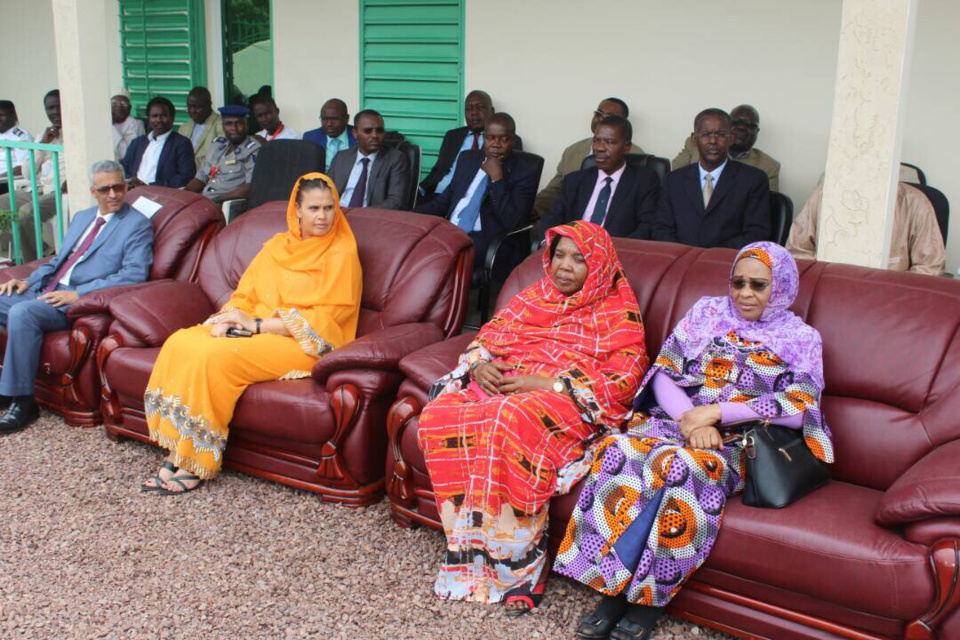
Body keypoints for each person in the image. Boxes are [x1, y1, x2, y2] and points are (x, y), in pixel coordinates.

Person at [555, 242, 834, 640]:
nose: (744, 293)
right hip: (678, 422)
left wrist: (718, 414)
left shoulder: (801, 338)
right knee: (621, 450)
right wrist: (691, 421)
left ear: (783, 287)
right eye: (737, 282)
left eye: (759, 284)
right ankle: (613, 587)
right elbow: (664, 372)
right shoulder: (707, 312)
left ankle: (647, 600)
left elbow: (800, 409)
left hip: (741, 442)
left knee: (685, 467)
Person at [418, 221, 649, 614]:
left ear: (599, 264)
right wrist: (477, 367)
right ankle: (470, 549)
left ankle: (522, 570)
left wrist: (544, 383)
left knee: (510, 418)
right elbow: (486, 339)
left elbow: (623, 378)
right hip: (507, 386)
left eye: (579, 259)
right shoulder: (532, 297)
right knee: (438, 415)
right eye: (559, 255)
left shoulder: (616, 310)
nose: (564, 266)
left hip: (563, 397)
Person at [140, 173, 361, 494]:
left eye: (329, 208)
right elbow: (246, 295)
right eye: (314, 208)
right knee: (182, 341)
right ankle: (178, 447)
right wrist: (229, 319)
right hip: (255, 329)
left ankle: (197, 461)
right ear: (296, 210)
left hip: (303, 342)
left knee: (215, 357)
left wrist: (255, 325)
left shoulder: (341, 254)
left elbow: (326, 320)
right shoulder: (277, 248)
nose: (323, 216)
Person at [0, 160, 153, 434]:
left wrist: (77, 294)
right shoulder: (82, 217)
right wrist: (27, 280)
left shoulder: (136, 225)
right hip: (44, 290)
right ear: (94, 191)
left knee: (22, 314)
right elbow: (59, 260)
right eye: (105, 189)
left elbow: (134, 274)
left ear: (126, 186)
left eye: (119, 187)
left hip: (73, 302)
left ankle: (22, 402)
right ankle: (4, 386)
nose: (113, 194)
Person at [415, 113, 538, 263]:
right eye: (490, 138)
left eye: (503, 139)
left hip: (485, 239)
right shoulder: (468, 160)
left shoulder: (525, 171)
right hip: (450, 229)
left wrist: (497, 179)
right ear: (484, 138)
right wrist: (407, 215)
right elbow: (443, 202)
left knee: (437, 259)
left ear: (513, 140)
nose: (496, 144)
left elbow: (513, 223)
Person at [652, 108, 770, 249]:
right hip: (680, 263)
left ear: (731, 138)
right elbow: (661, 229)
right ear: (694, 140)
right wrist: (683, 256)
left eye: (720, 135)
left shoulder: (753, 179)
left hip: (725, 263)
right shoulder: (673, 180)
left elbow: (756, 234)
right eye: (706, 135)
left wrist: (709, 257)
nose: (713, 141)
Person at [537, 115, 658, 241]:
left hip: (617, 254)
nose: (599, 148)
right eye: (596, 141)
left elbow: (646, 227)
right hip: (572, 253)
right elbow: (551, 219)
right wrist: (550, 245)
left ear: (626, 147)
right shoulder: (575, 181)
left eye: (609, 142)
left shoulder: (644, 181)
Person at [787, 181, 945, 275]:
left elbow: (929, 267)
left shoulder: (914, 201)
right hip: (831, 292)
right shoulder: (825, 193)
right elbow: (798, 251)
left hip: (891, 299)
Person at [533, 98, 646, 221]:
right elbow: (555, 190)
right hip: (574, 226)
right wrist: (535, 208)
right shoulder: (572, 151)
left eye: (609, 117)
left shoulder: (636, 155)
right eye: (598, 114)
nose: (601, 119)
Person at [419, 90, 515, 205]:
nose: (474, 113)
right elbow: (438, 169)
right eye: (469, 108)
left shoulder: (505, 140)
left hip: (469, 200)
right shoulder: (452, 136)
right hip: (437, 194)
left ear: (492, 111)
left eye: (480, 107)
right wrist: (420, 189)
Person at [672, 104, 780, 192]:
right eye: (735, 122)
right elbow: (676, 177)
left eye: (749, 124)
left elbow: (765, 204)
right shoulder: (696, 144)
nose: (741, 127)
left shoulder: (768, 167)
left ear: (757, 131)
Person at [12, 90, 66, 261]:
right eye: (51, 108)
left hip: (59, 191)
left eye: (59, 106)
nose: (55, 112)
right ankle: (40, 252)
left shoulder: (78, 132)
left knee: (25, 213)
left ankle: (33, 263)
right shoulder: (44, 134)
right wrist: (43, 144)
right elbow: (27, 173)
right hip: (37, 188)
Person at [329, 109, 410, 210]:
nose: (375, 135)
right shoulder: (341, 157)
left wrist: (361, 215)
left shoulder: (396, 159)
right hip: (337, 214)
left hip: (370, 218)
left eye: (379, 130)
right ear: (355, 133)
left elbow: (395, 202)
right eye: (368, 131)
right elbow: (326, 192)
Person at [184, 105, 261, 204]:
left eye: (239, 123)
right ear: (223, 126)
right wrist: (184, 195)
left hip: (226, 205)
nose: (234, 128)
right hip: (204, 201)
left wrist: (218, 200)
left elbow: (250, 187)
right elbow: (200, 178)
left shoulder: (253, 150)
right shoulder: (216, 146)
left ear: (247, 125)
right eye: (229, 124)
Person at [121, 96, 196, 189]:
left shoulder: (181, 143)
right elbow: (123, 168)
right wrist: (131, 182)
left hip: (162, 194)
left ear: (172, 118)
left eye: (164, 116)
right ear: (149, 119)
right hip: (134, 192)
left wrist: (150, 186)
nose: (159, 120)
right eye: (154, 116)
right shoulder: (137, 143)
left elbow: (185, 176)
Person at [302, 98, 355, 172]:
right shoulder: (311, 137)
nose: (329, 124)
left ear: (346, 118)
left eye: (335, 119)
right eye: (325, 119)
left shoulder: (358, 136)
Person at [177, 86, 225, 167]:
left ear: (209, 105)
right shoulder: (184, 128)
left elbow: (218, 155)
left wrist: (186, 164)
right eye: (189, 107)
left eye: (197, 107)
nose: (192, 111)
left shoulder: (221, 124)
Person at [0, 100, 32, 196]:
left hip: (8, 181)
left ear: (13, 115)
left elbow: (22, 168)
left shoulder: (21, 136)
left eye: (2, 115)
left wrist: (1, 177)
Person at [111, 95, 144, 162]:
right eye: (114, 103)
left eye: (124, 103)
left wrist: (111, 127)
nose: (119, 107)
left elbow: (123, 154)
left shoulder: (136, 124)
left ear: (130, 108)